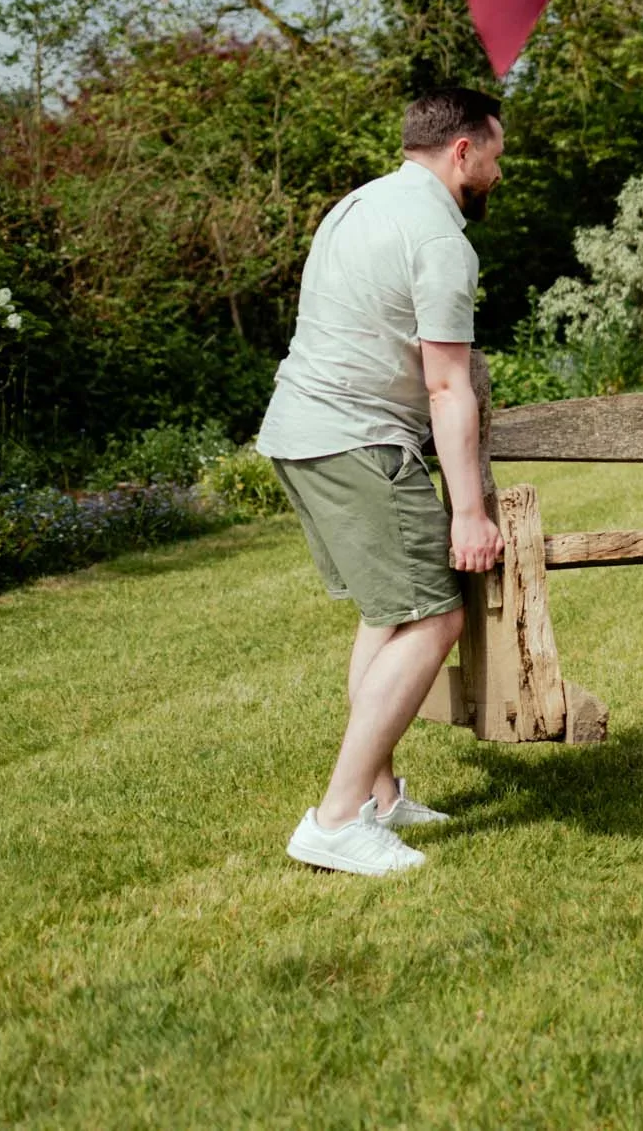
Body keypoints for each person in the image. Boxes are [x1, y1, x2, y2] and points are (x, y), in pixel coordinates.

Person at [257, 87, 507, 875]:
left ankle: (381, 794)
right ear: (462, 149)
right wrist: (468, 511)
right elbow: (445, 385)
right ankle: (335, 820)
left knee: (386, 614)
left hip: (301, 432)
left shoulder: (357, 205)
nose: (499, 174)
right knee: (434, 620)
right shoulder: (438, 233)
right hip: (357, 441)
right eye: (496, 157)